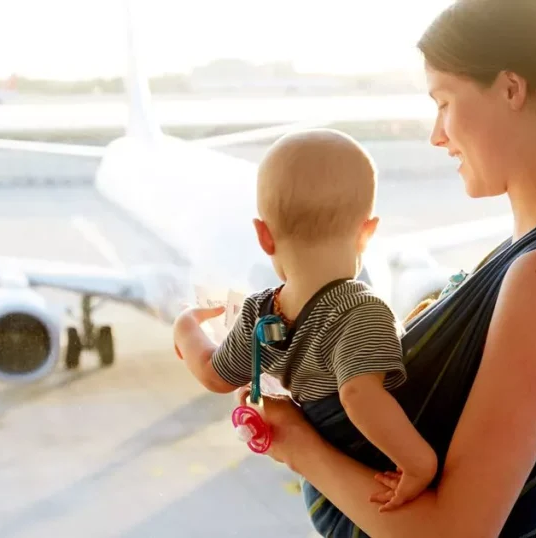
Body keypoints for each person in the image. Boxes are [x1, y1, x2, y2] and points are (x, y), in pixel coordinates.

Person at [237, 0, 536, 537]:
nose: (437, 134)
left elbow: (456, 531)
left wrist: (296, 445)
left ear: (511, 89)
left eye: (444, 101)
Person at [172, 128, 439, 511]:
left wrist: (186, 329)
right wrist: (418, 463)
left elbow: (214, 374)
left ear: (264, 236)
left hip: (324, 494)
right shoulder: (363, 310)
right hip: (366, 482)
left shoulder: (258, 313)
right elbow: (358, 393)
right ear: (366, 232)